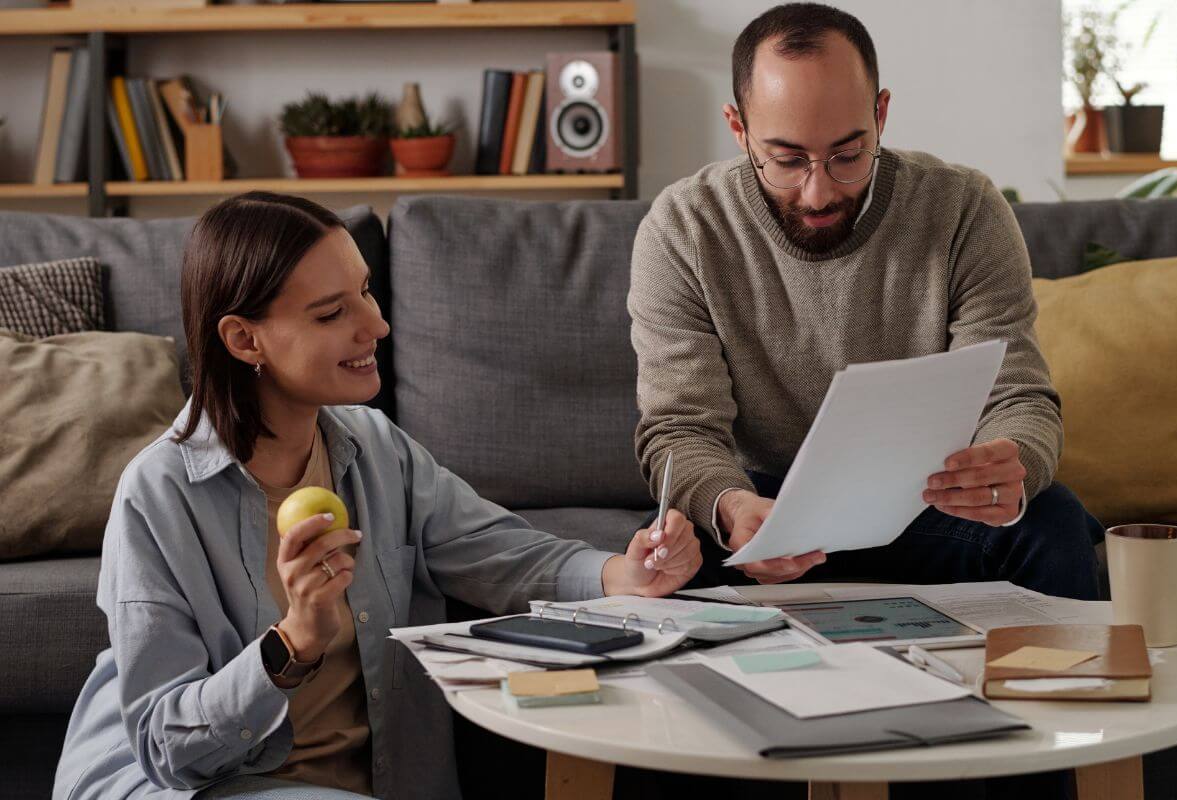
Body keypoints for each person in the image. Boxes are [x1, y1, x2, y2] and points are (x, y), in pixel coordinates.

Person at [54, 191, 701, 800]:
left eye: (364, 292)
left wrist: (624, 573)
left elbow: (501, 552)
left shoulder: (373, 446)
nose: (377, 325)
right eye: (332, 313)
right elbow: (165, 749)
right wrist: (294, 642)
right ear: (244, 339)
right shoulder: (159, 495)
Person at [628, 3, 1103, 599]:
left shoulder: (964, 209)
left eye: (848, 155)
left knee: (1052, 522)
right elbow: (678, 427)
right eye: (787, 159)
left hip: (927, 501)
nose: (818, 190)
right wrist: (729, 507)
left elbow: (1017, 393)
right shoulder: (684, 228)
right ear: (738, 127)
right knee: (664, 556)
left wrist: (1015, 460)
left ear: (880, 114)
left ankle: (1062, 688)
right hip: (760, 503)